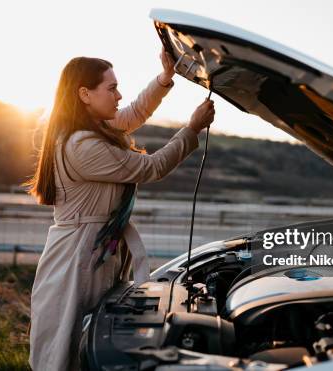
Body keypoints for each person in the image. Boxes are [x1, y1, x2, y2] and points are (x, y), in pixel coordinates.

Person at [25, 49, 215, 371]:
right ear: (84, 94)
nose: (119, 95)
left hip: (94, 250)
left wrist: (164, 79)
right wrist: (192, 129)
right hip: (77, 258)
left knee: (97, 339)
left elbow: (132, 114)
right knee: (62, 351)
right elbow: (151, 167)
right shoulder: (82, 146)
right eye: (111, 88)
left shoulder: (89, 129)